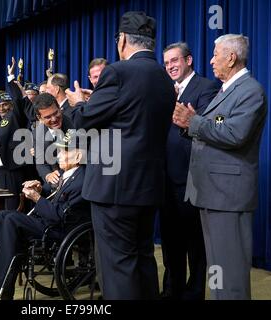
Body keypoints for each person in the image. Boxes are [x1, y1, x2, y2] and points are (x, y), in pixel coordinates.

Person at [66, 11, 176, 299]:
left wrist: (78, 103)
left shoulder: (117, 71)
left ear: (123, 39)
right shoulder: (164, 78)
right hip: (148, 187)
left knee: (118, 267)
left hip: (114, 189)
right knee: (143, 258)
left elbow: (83, 122)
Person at [172, 34, 267, 300]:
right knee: (218, 271)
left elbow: (235, 134)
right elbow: (216, 127)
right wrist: (189, 124)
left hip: (229, 197)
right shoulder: (226, 90)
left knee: (230, 273)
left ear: (232, 57)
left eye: (215, 55)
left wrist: (194, 122)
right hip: (212, 194)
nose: (211, 60)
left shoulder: (250, 91)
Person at [0, 131, 90, 300]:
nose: (59, 155)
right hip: (49, 221)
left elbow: (60, 215)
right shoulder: (68, 173)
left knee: (11, 219)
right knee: (1, 215)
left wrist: (37, 198)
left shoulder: (82, 179)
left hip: (61, 229)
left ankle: (0, 283)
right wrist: (40, 188)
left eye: (65, 151)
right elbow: (55, 190)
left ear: (78, 156)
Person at [159, 42, 220, 300]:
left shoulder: (207, 87)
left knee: (195, 246)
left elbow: (208, 128)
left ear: (189, 60)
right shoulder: (164, 90)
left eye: (175, 61)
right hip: (164, 180)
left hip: (192, 179)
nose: (171, 66)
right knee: (171, 244)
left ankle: (193, 294)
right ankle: (171, 291)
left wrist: (188, 119)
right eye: (167, 63)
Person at [32, 93, 74, 187]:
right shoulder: (37, 133)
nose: (54, 119)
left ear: (59, 108)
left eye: (55, 113)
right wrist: (48, 175)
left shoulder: (74, 122)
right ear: (40, 118)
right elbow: (41, 163)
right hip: (54, 184)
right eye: (48, 117)